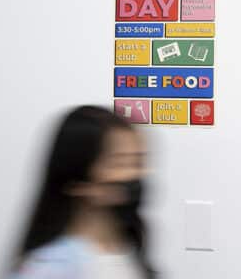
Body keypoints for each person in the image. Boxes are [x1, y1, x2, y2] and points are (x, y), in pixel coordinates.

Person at [9, 106, 156, 278]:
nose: (136, 175)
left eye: (138, 162)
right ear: (76, 181)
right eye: (120, 163)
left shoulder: (129, 253)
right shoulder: (49, 268)